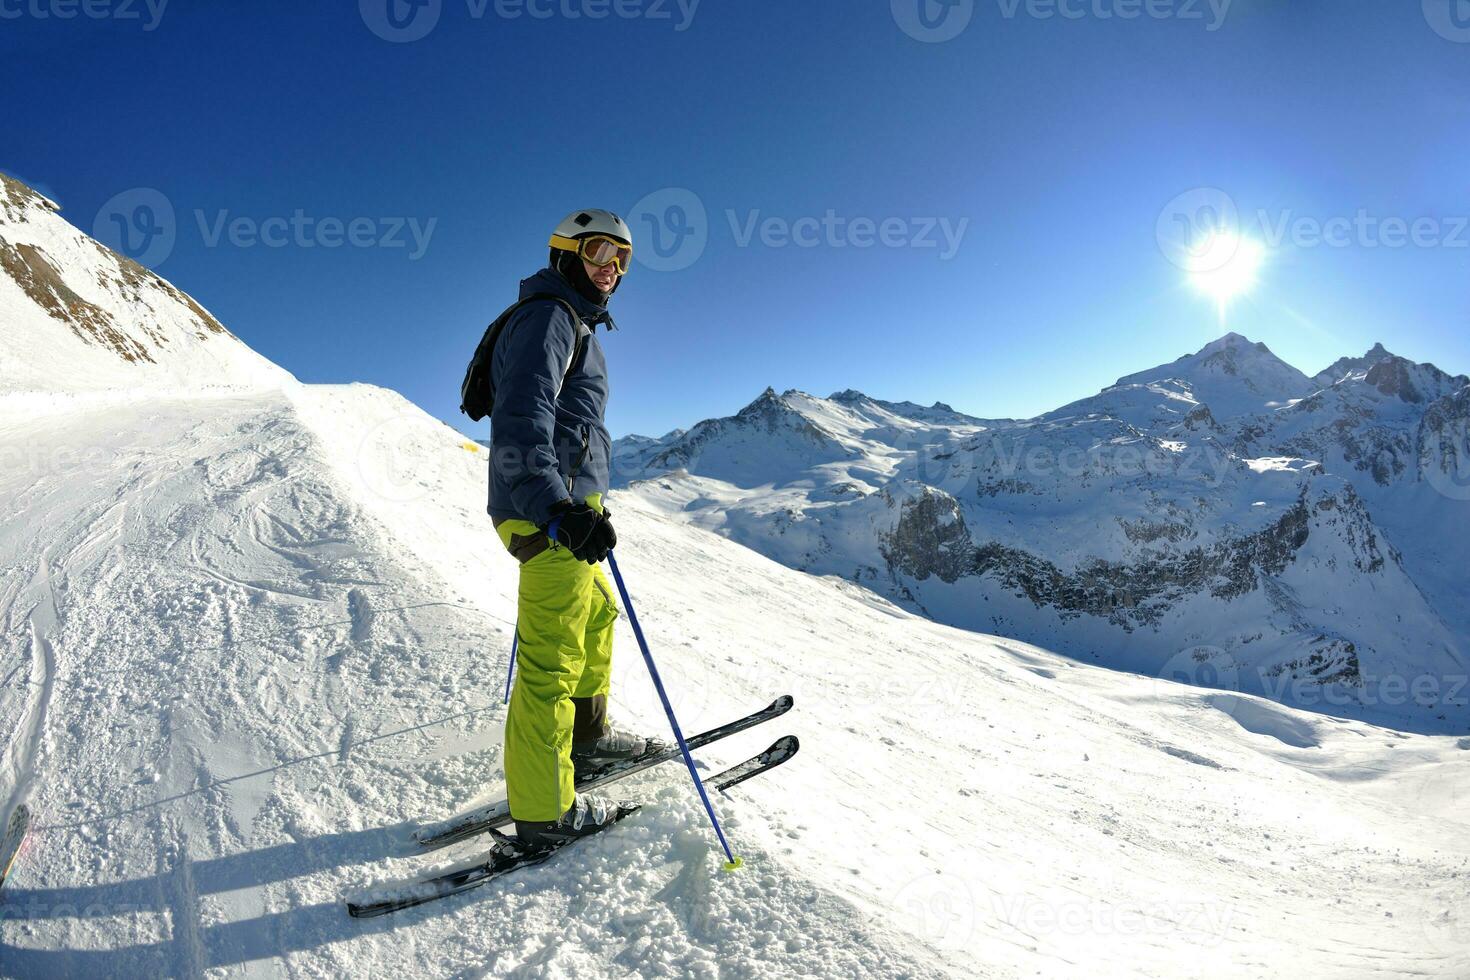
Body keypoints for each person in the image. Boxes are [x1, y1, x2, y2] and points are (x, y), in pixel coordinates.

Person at [488, 209, 655, 849]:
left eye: (621, 259)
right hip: (545, 512)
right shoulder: (550, 319)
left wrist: (581, 504)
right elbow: (521, 415)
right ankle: (543, 816)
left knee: (596, 613)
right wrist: (555, 506)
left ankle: (585, 742)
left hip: (565, 510)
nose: (609, 268)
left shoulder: (570, 320)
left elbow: (567, 427)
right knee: (549, 666)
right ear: (564, 253)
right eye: (596, 251)